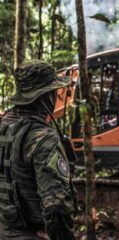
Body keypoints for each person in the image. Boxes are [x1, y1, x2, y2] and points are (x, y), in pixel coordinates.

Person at [0, 60, 76, 240]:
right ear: (45, 96)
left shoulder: (4, 126)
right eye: (53, 92)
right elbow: (56, 206)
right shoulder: (43, 138)